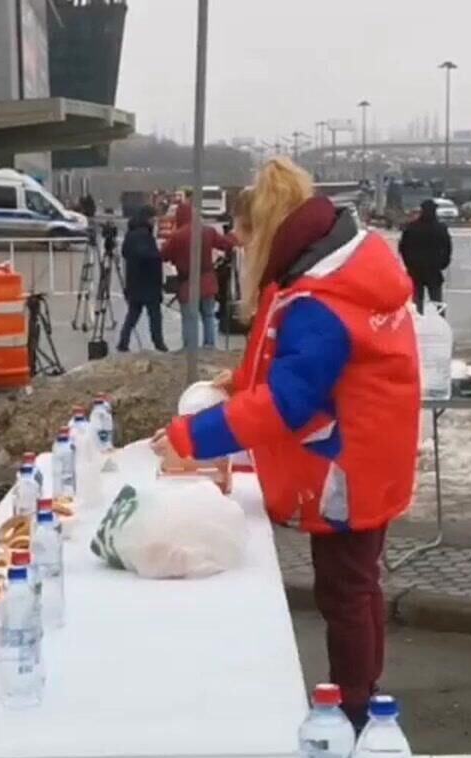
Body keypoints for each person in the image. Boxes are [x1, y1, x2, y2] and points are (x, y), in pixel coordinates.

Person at [153, 159, 420, 728]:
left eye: (245, 235)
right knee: (359, 583)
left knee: (345, 591)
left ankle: (353, 712)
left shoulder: (320, 299)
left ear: (269, 229)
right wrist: (239, 385)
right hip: (370, 453)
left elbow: (289, 401)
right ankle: (363, 693)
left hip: (344, 464)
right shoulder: (339, 272)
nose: (241, 247)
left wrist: (190, 436)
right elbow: (299, 370)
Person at [160, 199, 237, 350]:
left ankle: (190, 348)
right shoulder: (207, 231)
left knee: (190, 318)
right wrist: (234, 236)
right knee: (208, 315)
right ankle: (209, 345)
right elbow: (225, 243)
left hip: (187, 283)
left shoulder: (177, 236)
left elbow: (164, 255)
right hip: (207, 280)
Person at [117, 206, 167, 353]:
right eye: (153, 219)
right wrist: (159, 255)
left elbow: (125, 253)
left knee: (132, 315)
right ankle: (159, 343)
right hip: (148, 283)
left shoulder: (131, 234)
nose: (154, 222)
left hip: (134, 282)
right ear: (147, 219)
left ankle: (123, 342)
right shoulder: (145, 235)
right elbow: (149, 256)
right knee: (155, 317)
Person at [397, 198, 453, 313]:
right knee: (437, 302)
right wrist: (443, 263)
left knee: (416, 302)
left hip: (415, 270)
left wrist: (409, 264)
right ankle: (439, 325)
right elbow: (448, 247)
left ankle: (418, 324)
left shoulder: (411, 228)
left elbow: (403, 248)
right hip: (434, 269)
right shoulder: (440, 228)